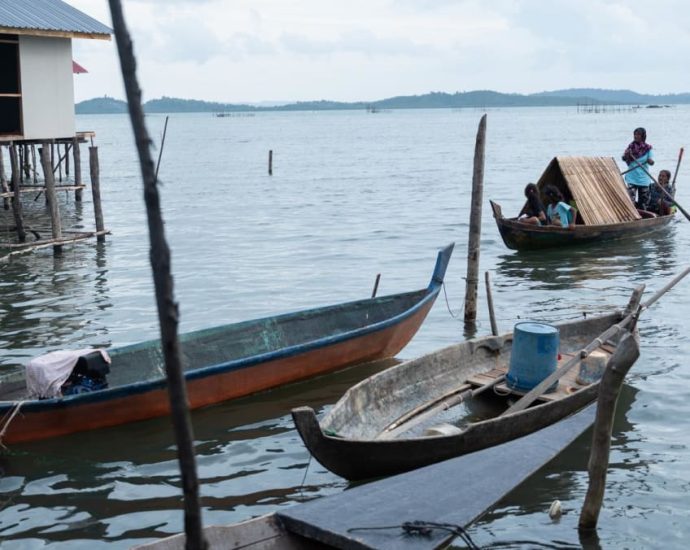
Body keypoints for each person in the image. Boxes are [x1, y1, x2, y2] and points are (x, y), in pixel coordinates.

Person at [622, 127, 654, 210]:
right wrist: (627, 155)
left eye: (638, 134)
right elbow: (623, 158)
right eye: (635, 134)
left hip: (643, 179)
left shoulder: (648, 149)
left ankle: (643, 217)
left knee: (643, 204)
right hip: (631, 178)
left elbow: (652, 162)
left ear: (643, 136)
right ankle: (631, 216)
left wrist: (650, 161)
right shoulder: (630, 147)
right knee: (630, 201)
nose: (636, 136)